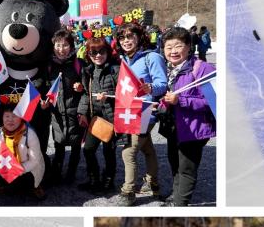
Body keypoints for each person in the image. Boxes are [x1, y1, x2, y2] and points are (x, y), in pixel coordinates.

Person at [159, 27, 216, 206]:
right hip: (173, 126)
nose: (173, 51)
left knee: (186, 169)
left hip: (193, 129)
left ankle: (180, 204)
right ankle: (176, 196)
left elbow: (212, 102)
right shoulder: (168, 69)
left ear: (189, 46)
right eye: (168, 47)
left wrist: (181, 101)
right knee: (175, 164)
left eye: (178, 46)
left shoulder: (202, 69)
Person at [115, 22, 168, 206]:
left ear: (139, 37)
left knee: (128, 151)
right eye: (122, 37)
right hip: (130, 111)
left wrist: (150, 87)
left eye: (130, 36)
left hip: (146, 112)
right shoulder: (126, 60)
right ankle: (152, 184)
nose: (126, 41)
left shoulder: (151, 57)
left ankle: (128, 191)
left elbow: (163, 83)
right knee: (147, 148)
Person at [78, 37, 121, 193]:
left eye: (101, 51)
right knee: (88, 149)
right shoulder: (88, 71)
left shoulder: (115, 69)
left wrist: (108, 96)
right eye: (93, 52)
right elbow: (85, 93)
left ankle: (108, 181)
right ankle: (93, 179)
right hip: (95, 119)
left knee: (109, 152)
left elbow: (124, 94)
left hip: (112, 118)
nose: (97, 55)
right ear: (88, 54)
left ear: (107, 52)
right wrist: (82, 112)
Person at [46, 29, 84, 184]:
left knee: (76, 146)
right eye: (58, 45)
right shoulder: (49, 65)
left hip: (75, 112)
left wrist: (81, 86)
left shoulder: (78, 64)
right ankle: (56, 172)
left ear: (71, 46)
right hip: (57, 113)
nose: (61, 49)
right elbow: (45, 87)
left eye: (65, 45)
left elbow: (87, 89)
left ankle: (71, 173)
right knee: (59, 144)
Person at [0, 105, 46, 200]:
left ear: (21, 118)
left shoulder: (29, 134)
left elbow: (35, 160)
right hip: (7, 168)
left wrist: (18, 170)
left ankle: (35, 187)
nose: (10, 120)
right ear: (2, 118)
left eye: (14, 116)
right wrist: (6, 169)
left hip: (27, 170)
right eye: (7, 116)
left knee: (26, 183)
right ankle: (6, 185)